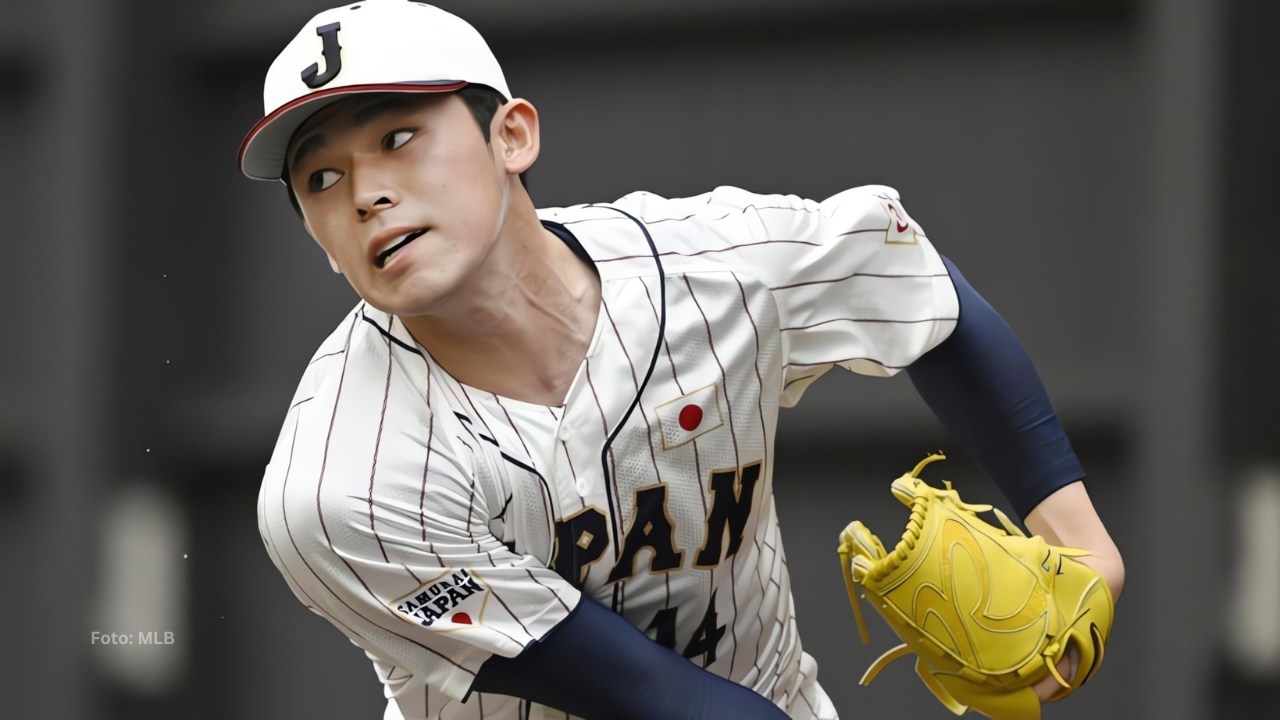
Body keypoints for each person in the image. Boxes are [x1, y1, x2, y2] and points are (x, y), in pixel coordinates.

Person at [240, 1, 1125, 718]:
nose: (367, 193)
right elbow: (645, 696)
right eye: (321, 179)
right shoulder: (339, 483)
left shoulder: (716, 265)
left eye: (399, 136)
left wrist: (1083, 542)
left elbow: (913, 283)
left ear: (511, 136)